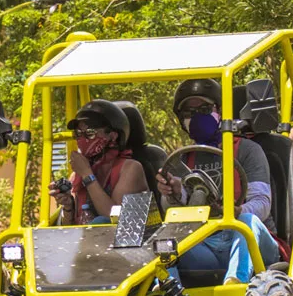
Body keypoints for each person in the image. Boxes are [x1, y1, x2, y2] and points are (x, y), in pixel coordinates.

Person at [156, 79, 280, 283]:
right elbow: (174, 212)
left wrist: (236, 212)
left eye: (204, 109)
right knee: (165, 240)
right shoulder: (183, 158)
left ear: (220, 110)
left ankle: (234, 284)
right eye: (189, 112)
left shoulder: (248, 150)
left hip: (252, 243)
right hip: (206, 243)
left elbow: (263, 204)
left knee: (247, 223)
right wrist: (173, 192)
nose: (197, 117)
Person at [49, 99, 148, 225]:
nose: (82, 139)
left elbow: (113, 216)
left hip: (122, 242)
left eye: (90, 133)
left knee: (100, 221)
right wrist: (69, 206)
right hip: (87, 242)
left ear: (112, 136)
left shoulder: (130, 168)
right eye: (78, 134)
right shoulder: (77, 175)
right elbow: (70, 230)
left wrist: (87, 175)